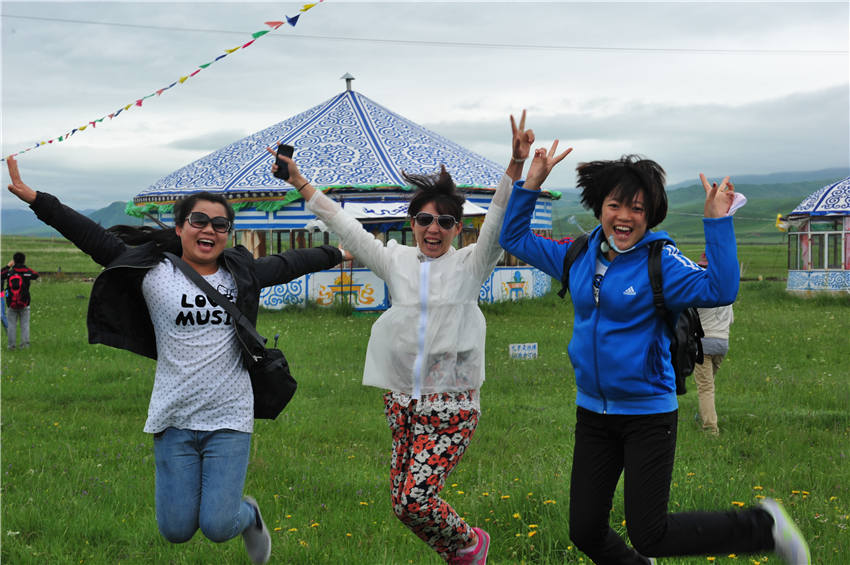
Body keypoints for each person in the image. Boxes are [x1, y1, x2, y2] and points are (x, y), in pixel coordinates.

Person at [5, 156, 345, 564]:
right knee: (175, 529)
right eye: (199, 220)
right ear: (181, 227)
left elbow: (289, 263)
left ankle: (248, 516)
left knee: (219, 524)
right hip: (172, 417)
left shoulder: (240, 275)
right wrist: (37, 200)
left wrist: (338, 251)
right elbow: (91, 237)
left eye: (220, 224)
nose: (209, 229)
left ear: (227, 234)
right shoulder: (153, 272)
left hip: (229, 417)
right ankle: (224, 512)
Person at [499, 148, 811, 564]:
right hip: (593, 413)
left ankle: (764, 527)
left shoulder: (660, 262)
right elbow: (514, 239)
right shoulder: (578, 256)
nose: (624, 217)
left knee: (650, 534)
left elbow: (720, 289)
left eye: (637, 208)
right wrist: (532, 183)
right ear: (599, 208)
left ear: (650, 215)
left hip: (647, 415)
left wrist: (717, 221)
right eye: (615, 205)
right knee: (585, 530)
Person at [268, 110, 542, 564]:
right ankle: (460, 554)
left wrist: (514, 166)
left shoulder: (471, 264)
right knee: (401, 504)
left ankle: (471, 544)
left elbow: (496, 220)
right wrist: (299, 181)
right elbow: (345, 226)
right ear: (412, 222)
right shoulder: (395, 261)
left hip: (452, 404)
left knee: (416, 500)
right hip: (402, 402)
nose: (433, 228)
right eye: (424, 219)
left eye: (445, 222)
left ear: (458, 229)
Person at [694, 252, 734, 435]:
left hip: (703, 343)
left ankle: (710, 429)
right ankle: (702, 415)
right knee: (708, 384)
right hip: (722, 343)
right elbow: (731, 320)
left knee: (705, 387)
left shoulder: (699, 290)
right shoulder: (726, 290)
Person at [1, 252, 40, 349]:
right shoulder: (26, 272)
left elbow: (1, 274)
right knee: (25, 325)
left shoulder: (10, 273)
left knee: (11, 325)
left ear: (13, 261)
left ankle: (11, 346)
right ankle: (25, 345)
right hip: (24, 303)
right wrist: (25, 267)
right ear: (24, 260)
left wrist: (8, 266)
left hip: (11, 303)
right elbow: (36, 275)